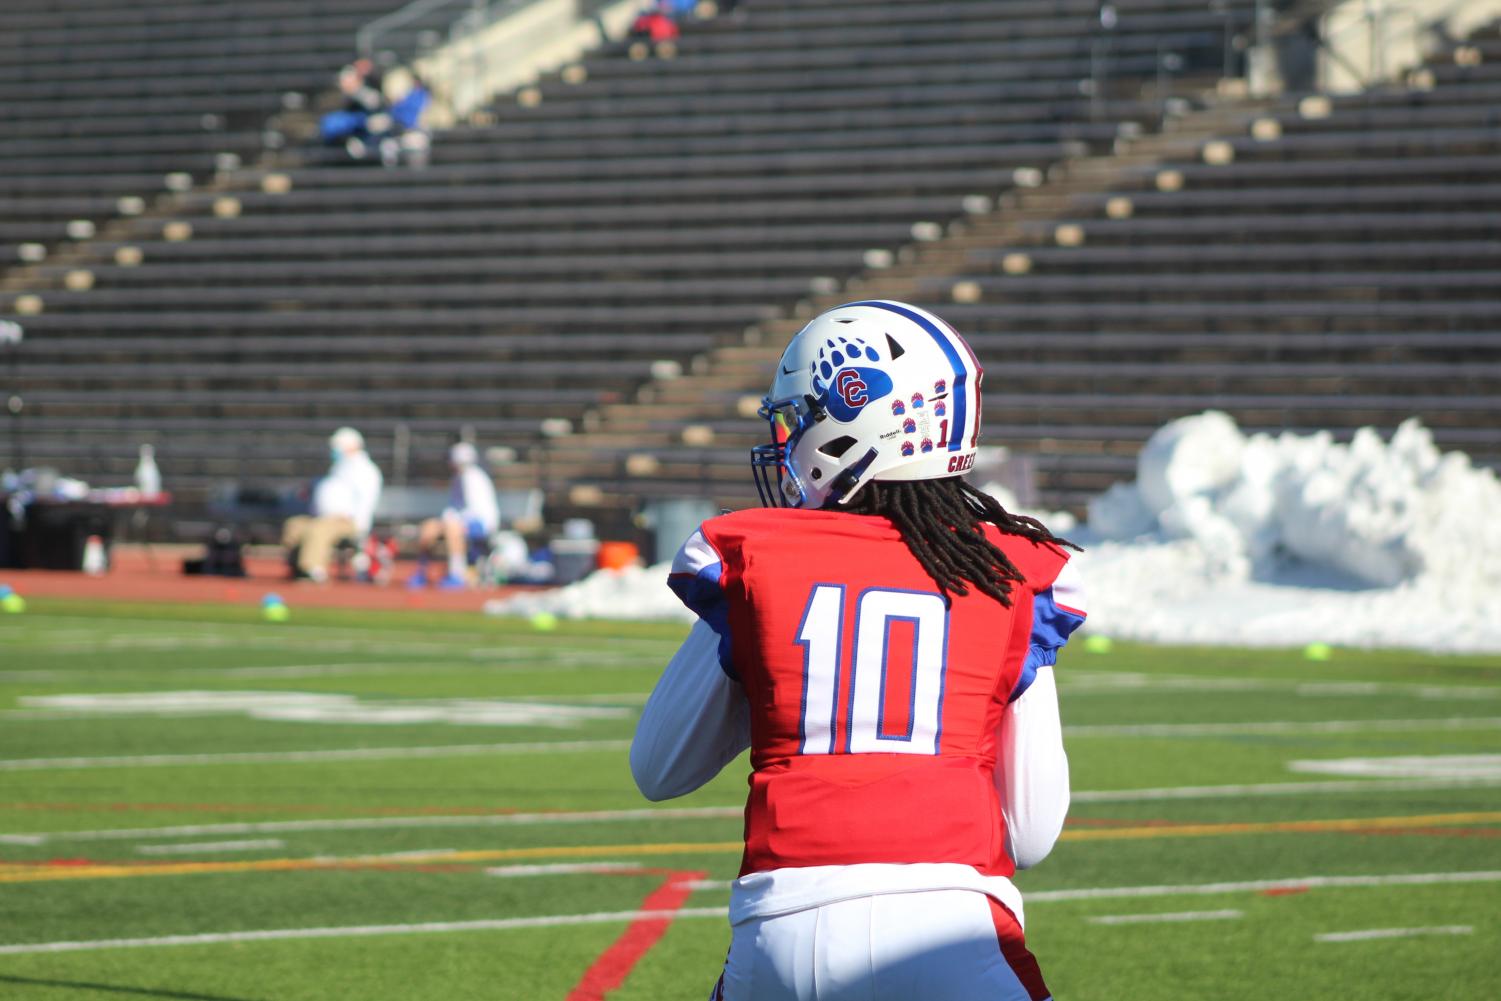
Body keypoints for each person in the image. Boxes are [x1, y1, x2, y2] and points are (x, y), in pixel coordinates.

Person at [631, 300, 1086, 1001]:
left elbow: (658, 769)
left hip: (778, 925)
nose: (788, 439)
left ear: (853, 414)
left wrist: (779, 677)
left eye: (798, 418)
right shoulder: (1009, 571)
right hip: (950, 924)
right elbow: (1031, 833)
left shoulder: (761, 558)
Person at [282, 427, 383, 582]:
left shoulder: (365, 470)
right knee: (294, 525)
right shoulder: (339, 468)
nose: (334, 451)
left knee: (319, 529)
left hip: (346, 522)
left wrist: (361, 529)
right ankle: (296, 566)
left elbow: (366, 502)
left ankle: (313, 570)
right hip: (322, 518)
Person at [408, 441, 499, 589]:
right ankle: (422, 572)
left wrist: (451, 520)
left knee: (452, 527)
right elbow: (454, 507)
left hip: (482, 523)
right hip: (463, 521)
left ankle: (457, 574)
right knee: (429, 527)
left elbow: (474, 511)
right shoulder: (458, 479)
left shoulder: (474, 478)